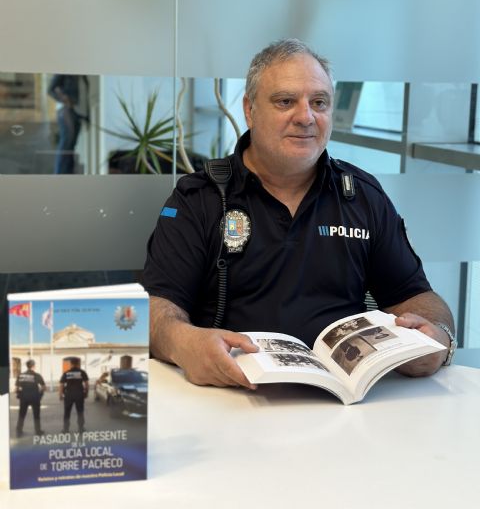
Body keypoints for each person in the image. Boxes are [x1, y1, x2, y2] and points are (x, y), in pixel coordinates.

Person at [144, 38, 455, 389]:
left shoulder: (361, 197)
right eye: (285, 101)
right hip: (233, 394)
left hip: (344, 401)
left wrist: (439, 339)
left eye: (319, 103)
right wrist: (184, 343)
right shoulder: (200, 198)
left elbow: (417, 296)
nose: (305, 117)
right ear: (250, 110)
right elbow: (159, 308)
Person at [48, 74, 89, 174]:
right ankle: (59, 176)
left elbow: (84, 95)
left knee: (71, 146)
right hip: (68, 111)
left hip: (79, 112)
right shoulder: (65, 71)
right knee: (66, 145)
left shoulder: (83, 75)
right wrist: (66, 99)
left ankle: (67, 174)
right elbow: (51, 90)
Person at [15, 359, 46, 437]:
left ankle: (19, 432)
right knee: (36, 415)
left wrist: (19, 394)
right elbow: (44, 387)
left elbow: (16, 388)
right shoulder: (37, 375)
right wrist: (40, 395)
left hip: (24, 398)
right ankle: (38, 431)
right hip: (35, 398)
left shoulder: (20, 375)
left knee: (22, 415)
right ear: (34, 366)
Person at [59, 358, 89, 432]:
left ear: (71, 364)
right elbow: (87, 384)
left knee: (67, 412)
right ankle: (81, 428)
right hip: (79, 394)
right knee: (80, 411)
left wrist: (60, 395)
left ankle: (65, 429)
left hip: (68, 395)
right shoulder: (82, 372)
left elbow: (61, 385)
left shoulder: (66, 373)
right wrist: (86, 393)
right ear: (78, 364)